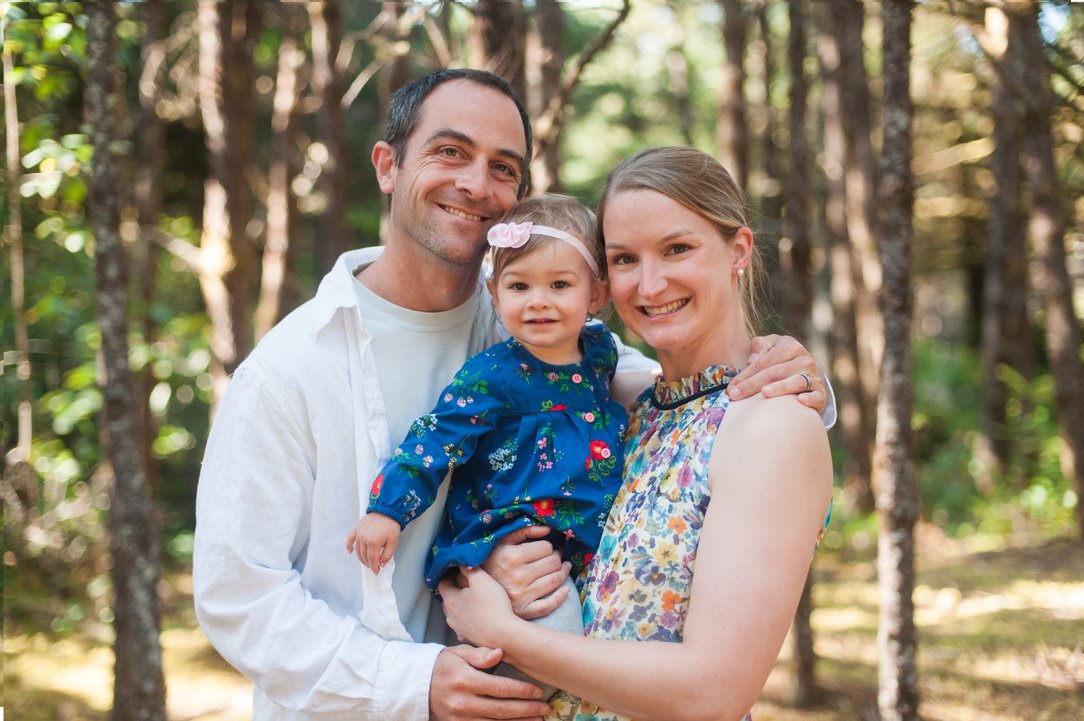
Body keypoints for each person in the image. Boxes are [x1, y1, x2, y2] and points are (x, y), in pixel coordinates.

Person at [194, 68, 831, 721]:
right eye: (450, 151)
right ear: (387, 165)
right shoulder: (290, 368)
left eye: (503, 167)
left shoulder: (535, 324)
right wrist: (416, 681)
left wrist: (793, 376)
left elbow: (684, 393)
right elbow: (237, 595)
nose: (476, 183)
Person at [439, 146, 835, 721]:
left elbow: (714, 691)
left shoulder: (771, 424)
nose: (650, 285)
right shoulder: (627, 410)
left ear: (738, 250)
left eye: (677, 249)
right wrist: (501, 557)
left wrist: (503, 634)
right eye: (624, 259)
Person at [347, 194, 627, 698]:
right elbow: (436, 439)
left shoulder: (601, 356)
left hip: (577, 551)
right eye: (519, 286)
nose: (537, 300)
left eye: (560, 285)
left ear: (597, 295)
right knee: (547, 671)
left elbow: (656, 382)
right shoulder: (494, 375)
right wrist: (387, 511)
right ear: (495, 294)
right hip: (513, 550)